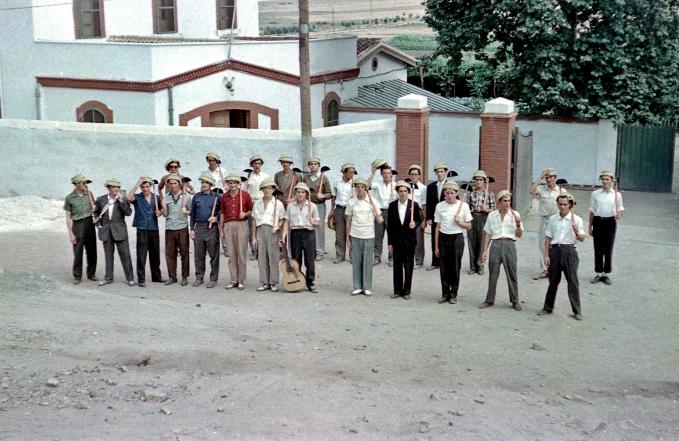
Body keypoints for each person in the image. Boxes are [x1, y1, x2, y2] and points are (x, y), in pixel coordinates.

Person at [538, 193, 586, 321]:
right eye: (560, 204)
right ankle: (548, 307)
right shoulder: (553, 219)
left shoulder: (577, 219)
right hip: (555, 251)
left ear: (570, 205)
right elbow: (548, 237)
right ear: (557, 204)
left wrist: (577, 232)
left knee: (572, 281)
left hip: (569, 251)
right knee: (553, 281)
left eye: (565, 204)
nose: (563, 207)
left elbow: (582, 238)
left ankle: (577, 311)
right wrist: (546, 255)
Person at [478, 190, 523, 310]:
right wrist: (485, 251)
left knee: (512, 273)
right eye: (505, 201)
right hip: (496, 244)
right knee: (493, 273)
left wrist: (518, 224)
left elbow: (519, 235)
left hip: (509, 244)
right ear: (499, 202)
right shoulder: (492, 215)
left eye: (509, 201)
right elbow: (488, 233)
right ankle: (489, 300)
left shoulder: (515, 214)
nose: (507, 203)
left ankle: (515, 300)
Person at [434, 181, 472, 304]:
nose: (449, 195)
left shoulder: (463, 206)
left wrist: (460, 222)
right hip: (443, 238)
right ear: (444, 194)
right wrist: (436, 246)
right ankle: (445, 293)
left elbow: (469, 226)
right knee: (444, 268)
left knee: (455, 267)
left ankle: (453, 294)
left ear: (456, 193)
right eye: (447, 193)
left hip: (457, 238)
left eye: (452, 193)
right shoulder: (439, 206)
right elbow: (437, 227)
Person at [93, 179, 134, 287]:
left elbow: (128, 213)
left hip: (120, 231)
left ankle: (130, 278)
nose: (116, 189)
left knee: (125, 255)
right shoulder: (101, 199)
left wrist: (121, 202)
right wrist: (98, 225)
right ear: (108, 188)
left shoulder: (123, 198)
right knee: (108, 256)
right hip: (106, 231)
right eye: (114, 187)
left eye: (118, 187)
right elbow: (96, 213)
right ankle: (108, 278)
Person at [346, 177, 383, 296]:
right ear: (355, 189)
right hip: (355, 234)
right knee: (356, 261)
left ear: (366, 189)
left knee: (367, 262)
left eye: (362, 187)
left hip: (368, 235)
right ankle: (357, 286)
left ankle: (367, 286)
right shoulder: (351, 202)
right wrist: (347, 238)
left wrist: (379, 218)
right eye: (357, 187)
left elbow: (379, 217)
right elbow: (348, 221)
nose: (360, 189)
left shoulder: (372, 201)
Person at [127, 176, 165, 287]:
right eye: (142, 187)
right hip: (142, 229)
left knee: (155, 254)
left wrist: (160, 212)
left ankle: (156, 277)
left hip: (153, 229)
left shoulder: (156, 198)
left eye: (147, 186)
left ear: (150, 186)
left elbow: (162, 210)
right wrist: (137, 184)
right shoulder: (137, 197)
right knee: (141, 254)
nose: (145, 189)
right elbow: (128, 198)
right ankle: (141, 279)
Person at [282, 182, 320, 292]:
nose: (300, 194)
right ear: (295, 193)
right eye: (298, 192)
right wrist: (284, 235)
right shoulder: (290, 206)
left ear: (306, 194)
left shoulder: (312, 206)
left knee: (310, 260)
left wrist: (314, 222)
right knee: (296, 260)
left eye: (303, 192)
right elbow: (286, 221)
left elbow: (318, 223)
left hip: (309, 233)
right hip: (295, 234)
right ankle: (297, 280)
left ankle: (310, 282)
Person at [387, 180, 422, 300]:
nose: (403, 193)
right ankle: (397, 290)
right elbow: (390, 225)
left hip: (409, 240)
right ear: (397, 192)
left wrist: (415, 223)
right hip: (397, 240)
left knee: (408, 266)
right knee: (397, 266)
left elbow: (419, 218)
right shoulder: (392, 206)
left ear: (408, 192)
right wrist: (390, 242)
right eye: (400, 191)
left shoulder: (414, 205)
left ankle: (407, 291)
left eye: (405, 191)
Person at [589, 170, 624, 285]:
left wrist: (619, 214)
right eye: (603, 179)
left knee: (608, 249)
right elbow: (592, 211)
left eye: (607, 179)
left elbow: (620, 209)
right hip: (598, 221)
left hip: (610, 222)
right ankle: (598, 273)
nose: (605, 181)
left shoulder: (617, 195)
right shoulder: (595, 194)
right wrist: (590, 226)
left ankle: (606, 274)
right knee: (598, 248)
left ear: (612, 181)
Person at [529, 168, 563, 279]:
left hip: (556, 220)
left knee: (556, 244)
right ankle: (545, 269)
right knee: (543, 244)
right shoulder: (541, 189)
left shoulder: (561, 191)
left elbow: (568, 205)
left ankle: (555, 268)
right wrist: (540, 178)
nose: (548, 179)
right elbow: (531, 191)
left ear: (555, 178)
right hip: (545, 219)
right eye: (547, 177)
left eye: (551, 177)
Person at [252, 179, 286, 292]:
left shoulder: (278, 203)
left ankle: (273, 282)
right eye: (264, 188)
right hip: (260, 230)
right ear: (261, 190)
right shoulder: (257, 203)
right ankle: (264, 282)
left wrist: (277, 226)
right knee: (262, 257)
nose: (267, 190)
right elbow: (254, 221)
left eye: (269, 188)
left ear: (273, 189)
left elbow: (282, 219)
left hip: (273, 231)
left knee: (273, 256)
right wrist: (253, 237)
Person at [221, 172, 253, 290]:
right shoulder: (224, 196)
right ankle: (234, 279)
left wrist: (245, 214)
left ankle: (241, 280)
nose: (232, 185)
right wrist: (221, 229)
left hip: (242, 225)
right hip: (228, 225)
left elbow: (251, 210)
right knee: (231, 254)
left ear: (238, 184)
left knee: (241, 253)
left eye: (234, 183)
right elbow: (222, 213)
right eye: (230, 183)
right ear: (227, 184)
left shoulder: (245, 195)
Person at [64, 174, 98, 284]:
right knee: (78, 252)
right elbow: (68, 216)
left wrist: (94, 207)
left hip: (89, 223)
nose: (85, 184)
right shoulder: (69, 198)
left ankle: (91, 274)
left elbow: (94, 208)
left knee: (92, 250)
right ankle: (77, 276)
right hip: (77, 225)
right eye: (83, 183)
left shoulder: (89, 194)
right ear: (76, 184)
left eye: (86, 183)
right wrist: (71, 233)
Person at [190, 172, 221, 288]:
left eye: (206, 183)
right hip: (199, 227)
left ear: (211, 184)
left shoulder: (217, 197)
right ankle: (199, 277)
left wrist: (216, 218)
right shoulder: (196, 196)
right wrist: (192, 229)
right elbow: (192, 214)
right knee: (199, 255)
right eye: (202, 182)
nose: (203, 184)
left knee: (214, 255)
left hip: (212, 228)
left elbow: (222, 211)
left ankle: (213, 279)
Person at [161, 174, 192, 286]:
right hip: (170, 228)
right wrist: (163, 207)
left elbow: (191, 211)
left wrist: (186, 211)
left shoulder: (186, 197)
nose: (173, 186)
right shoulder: (166, 197)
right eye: (171, 184)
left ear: (179, 184)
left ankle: (184, 277)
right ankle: (172, 277)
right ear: (168, 185)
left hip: (182, 228)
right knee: (170, 254)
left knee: (184, 253)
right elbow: (165, 215)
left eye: (175, 183)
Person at [466, 170, 496, 275]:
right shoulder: (471, 194)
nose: (478, 182)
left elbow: (494, 209)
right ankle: (472, 266)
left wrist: (487, 209)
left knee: (483, 242)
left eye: (481, 180)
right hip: (472, 217)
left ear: (484, 181)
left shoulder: (489, 194)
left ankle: (480, 265)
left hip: (484, 218)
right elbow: (467, 208)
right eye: (477, 180)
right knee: (472, 242)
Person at [369, 160, 397, 266]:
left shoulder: (395, 185)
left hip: (392, 213)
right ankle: (377, 257)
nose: (386, 175)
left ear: (391, 174)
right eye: (384, 173)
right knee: (378, 236)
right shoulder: (377, 184)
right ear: (381, 174)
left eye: (388, 173)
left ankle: (392, 257)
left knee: (392, 236)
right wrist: (373, 173)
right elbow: (368, 185)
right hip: (379, 212)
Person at [304, 156, 331, 261]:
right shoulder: (306, 178)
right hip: (308, 205)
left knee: (319, 228)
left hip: (319, 206)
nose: (313, 166)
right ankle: (311, 249)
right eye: (311, 164)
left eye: (315, 164)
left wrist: (323, 196)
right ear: (309, 166)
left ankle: (319, 251)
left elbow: (329, 194)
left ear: (319, 166)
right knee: (308, 226)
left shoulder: (324, 178)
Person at [245, 155, 271, 261]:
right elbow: (245, 191)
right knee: (252, 228)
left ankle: (264, 251)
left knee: (263, 226)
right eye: (255, 164)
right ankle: (254, 251)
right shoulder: (248, 177)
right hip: (251, 203)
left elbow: (270, 190)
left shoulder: (266, 176)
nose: (257, 166)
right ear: (251, 165)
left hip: (262, 203)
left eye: (259, 163)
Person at [425, 162, 449, 271]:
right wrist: (429, 217)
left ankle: (445, 263)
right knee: (435, 239)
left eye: (442, 171)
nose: (440, 174)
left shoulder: (450, 185)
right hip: (435, 217)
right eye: (438, 172)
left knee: (446, 239)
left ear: (445, 172)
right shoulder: (431, 186)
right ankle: (435, 262)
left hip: (447, 217)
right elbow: (429, 203)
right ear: (435, 173)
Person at [330, 163, 356, 264]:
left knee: (352, 233)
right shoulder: (337, 181)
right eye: (350, 172)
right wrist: (332, 210)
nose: (352, 174)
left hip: (351, 210)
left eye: (353, 172)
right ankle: (340, 255)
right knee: (339, 234)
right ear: (344, 172)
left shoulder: (354, 183)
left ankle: (353, 256)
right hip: (339, 209)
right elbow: (333, 196)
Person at [407, 164, 427, 269]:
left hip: (418, 213)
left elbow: (424, 204)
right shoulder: (406, 186)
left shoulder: (423, 188)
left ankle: (419, 261)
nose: (414, 176)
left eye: (416, 174)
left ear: (419, 175)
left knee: (418, 238)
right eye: (412, 174)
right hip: (407, 213)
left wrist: (424, 220)